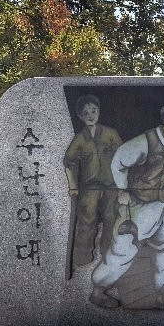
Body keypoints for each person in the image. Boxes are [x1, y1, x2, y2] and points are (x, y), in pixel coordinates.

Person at [89, 99, 164, 309]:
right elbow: (119, 161)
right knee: (124, 249)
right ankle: (98, 289)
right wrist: (123, 190)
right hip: (139, 204)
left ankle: (163, 295)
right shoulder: (147, 140)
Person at [64, 95, 122, 267]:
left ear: (99, 111)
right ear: (80, 117)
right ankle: (82, 260)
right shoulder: (80, 139)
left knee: (111, 220)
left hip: (111, 186)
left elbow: (122, 157)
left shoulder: (111, 133)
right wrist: (72, 186)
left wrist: (123, 185)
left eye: (93, 111)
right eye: (85, 113)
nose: (90, 115)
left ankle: (109, 258)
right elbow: (68, 162)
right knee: (86, 222)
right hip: (89, 188)